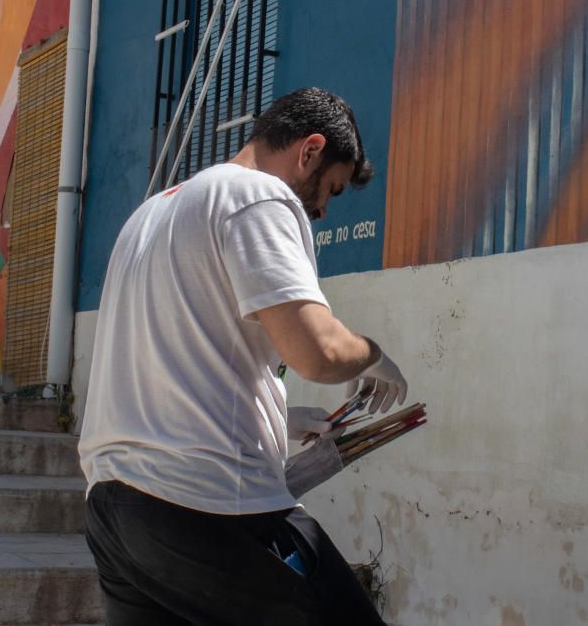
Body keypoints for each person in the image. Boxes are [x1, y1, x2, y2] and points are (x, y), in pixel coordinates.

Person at [78, 87, 408, 625]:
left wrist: (279, 420)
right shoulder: (256, 196)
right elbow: (318, 353)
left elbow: (177, 362)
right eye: (329, 188)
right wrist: (371, 354)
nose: (322, 211)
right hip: (207, 507)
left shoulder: (150, 216)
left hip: (116, 511)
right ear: (309, 150)